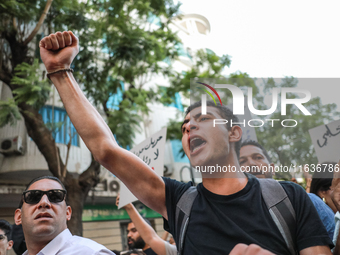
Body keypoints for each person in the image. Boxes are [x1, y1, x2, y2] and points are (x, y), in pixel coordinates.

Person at [39, 31, 336, 254]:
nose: (190, 126)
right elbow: (106, 150)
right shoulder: (180, 202)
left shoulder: (288, 198)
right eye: (184, 126)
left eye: (203, 119)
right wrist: (60, 72)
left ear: (234, 133)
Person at [239, 140, 336, 240]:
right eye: (242, 161)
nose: (251, 164)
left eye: (258, 157)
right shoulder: (234, 216)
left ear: (272, 168)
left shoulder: (306, 201)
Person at [14, 176, 115, 255]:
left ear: (68, 213)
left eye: (55, 196)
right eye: (33, 197)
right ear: (19, 217)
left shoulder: (93, 253)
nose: (44, 202)